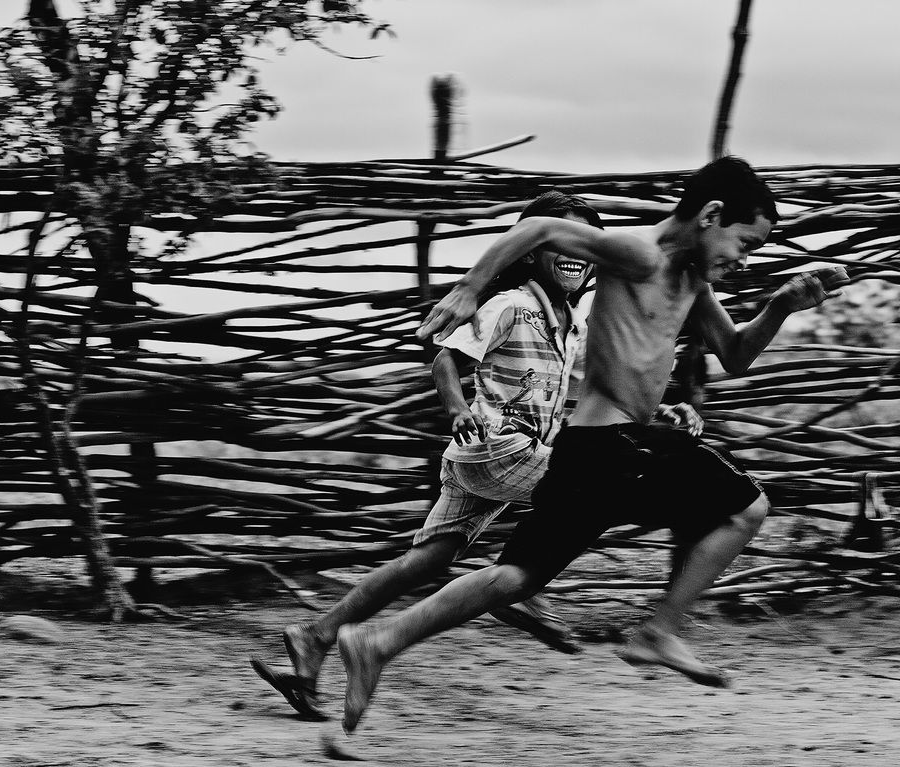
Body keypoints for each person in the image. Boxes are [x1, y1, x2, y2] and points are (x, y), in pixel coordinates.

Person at [334, 156, 850, 733]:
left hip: (596, 451)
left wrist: (780, 306)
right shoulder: (640, 253)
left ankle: (377, 642)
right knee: (746, 507)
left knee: (518, 576)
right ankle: (659, 632)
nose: (744, 259)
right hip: (616, 443)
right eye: (745, 243)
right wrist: (467, 290)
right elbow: (540, 227)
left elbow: (733, 354)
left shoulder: (691, 280)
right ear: (711, 215)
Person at [250, 192, 703, 720]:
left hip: (499, 460)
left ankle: (314, 637)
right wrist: (457, 407)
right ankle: (520, 587)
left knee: (425, 560)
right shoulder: (510, 304)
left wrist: (658, 406)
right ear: (530, 250)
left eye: (584, 243)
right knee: (589, 485)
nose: (574, 253)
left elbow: (595, 385)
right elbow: (446, 357)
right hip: (494, 447)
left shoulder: (574, 323)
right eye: (559, 240)